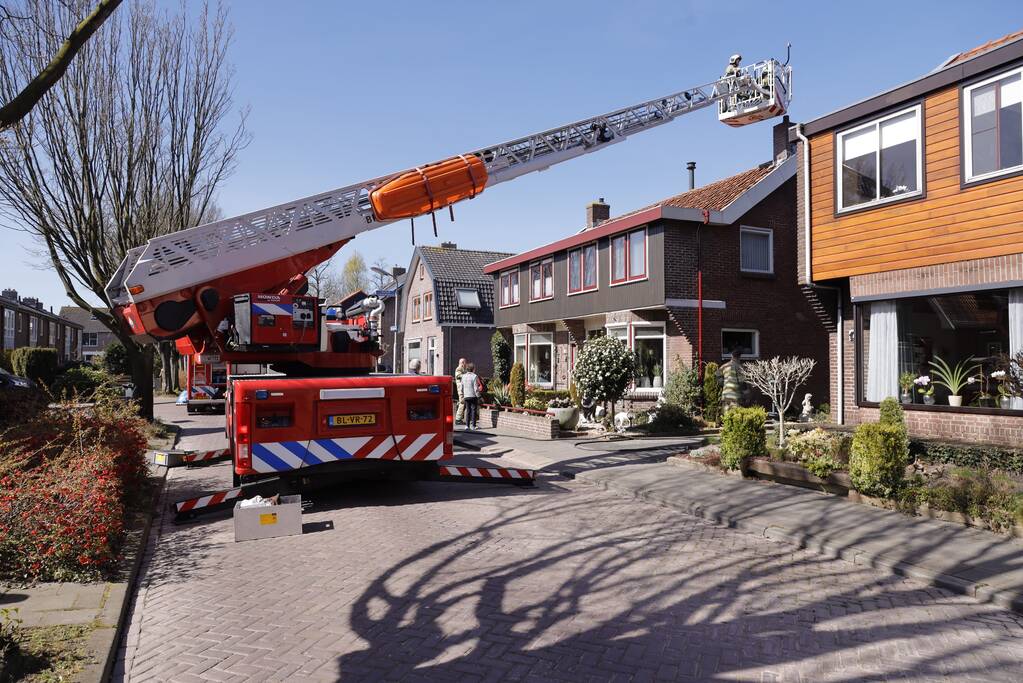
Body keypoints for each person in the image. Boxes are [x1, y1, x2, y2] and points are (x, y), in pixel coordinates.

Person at [718, 348, 744, 413]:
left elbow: (717, 375)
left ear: (732, 356)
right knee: (735, 415)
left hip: (725, 394)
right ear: (739, 357)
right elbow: (742, 382)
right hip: (735, 396)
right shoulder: (739, 367)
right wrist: (746, 393)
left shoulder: (724, 366)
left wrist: (722, 383)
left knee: (726, 415)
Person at [461, 361, 483, 431]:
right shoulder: (474, 376)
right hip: (473, 396)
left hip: (466, 396)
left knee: (468, 411)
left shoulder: (463, 376)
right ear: (473, 369)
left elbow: (461, 387)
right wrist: (479, 396)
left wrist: (462, 395)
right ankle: (473, 425)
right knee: (474, 410)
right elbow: (476, 388)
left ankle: (467, 426)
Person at [454, 357, 467, 424]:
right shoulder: (459, 369)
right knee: (462, 402)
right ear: (462, 363)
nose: (466, 364)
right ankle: (458, 419)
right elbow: (458, 376)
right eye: (465, 362)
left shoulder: (463, 369)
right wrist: (467, 375)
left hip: (462, 388)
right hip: (460, 389)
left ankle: (459, 418)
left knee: (462, 402)